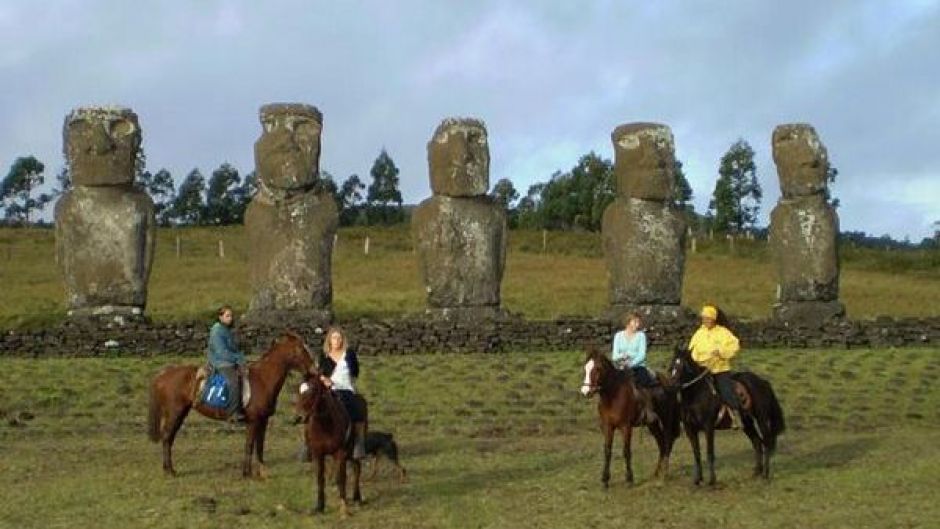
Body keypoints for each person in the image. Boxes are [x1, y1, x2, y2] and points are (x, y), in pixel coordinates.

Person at [688, 304, 742, 427]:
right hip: (701, 370)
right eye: (704, 318)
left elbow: (735, 345)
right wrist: (697, 360)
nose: (705, 321)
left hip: (719, 369)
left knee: (726, 391)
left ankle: (736, 416)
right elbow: (691, 350)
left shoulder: (723, 332)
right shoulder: (698, 334)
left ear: (713, 319)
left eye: (708, 318)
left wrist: (721, 352)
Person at [318, 326, 367, 460]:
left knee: (356, 408)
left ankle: (359, 442)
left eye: (339, 338)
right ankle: (308, 443)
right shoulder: (325, 355)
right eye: (334, 338)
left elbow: (355, 372)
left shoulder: (349, 354)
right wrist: (325, 380)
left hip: (345, 388)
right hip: (329, 388)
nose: (337, 340)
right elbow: (320, 373)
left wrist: (349, 381)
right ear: (329, 340)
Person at [207, 305, 247, 421]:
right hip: (221, 362)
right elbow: (221, 352)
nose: (230, 318)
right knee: (234, 381)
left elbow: (233, 347)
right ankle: (233, 413)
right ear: (220, 317)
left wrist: (240, 356)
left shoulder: (226, 329)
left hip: (229, 359)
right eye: (227, 316)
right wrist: (237, 358)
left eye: (231, 316)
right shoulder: (217, 331)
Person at [611, 313, 655, 387]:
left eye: (638, 322)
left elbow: (642, 355)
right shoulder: (618, 336)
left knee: (643, 382)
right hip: (620, 367)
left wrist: (630, 364)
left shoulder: (641, 336)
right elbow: (614, 356)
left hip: (638, 367)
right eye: (635, 322)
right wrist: (622, 356)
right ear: (628, 322)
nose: (637, 325)